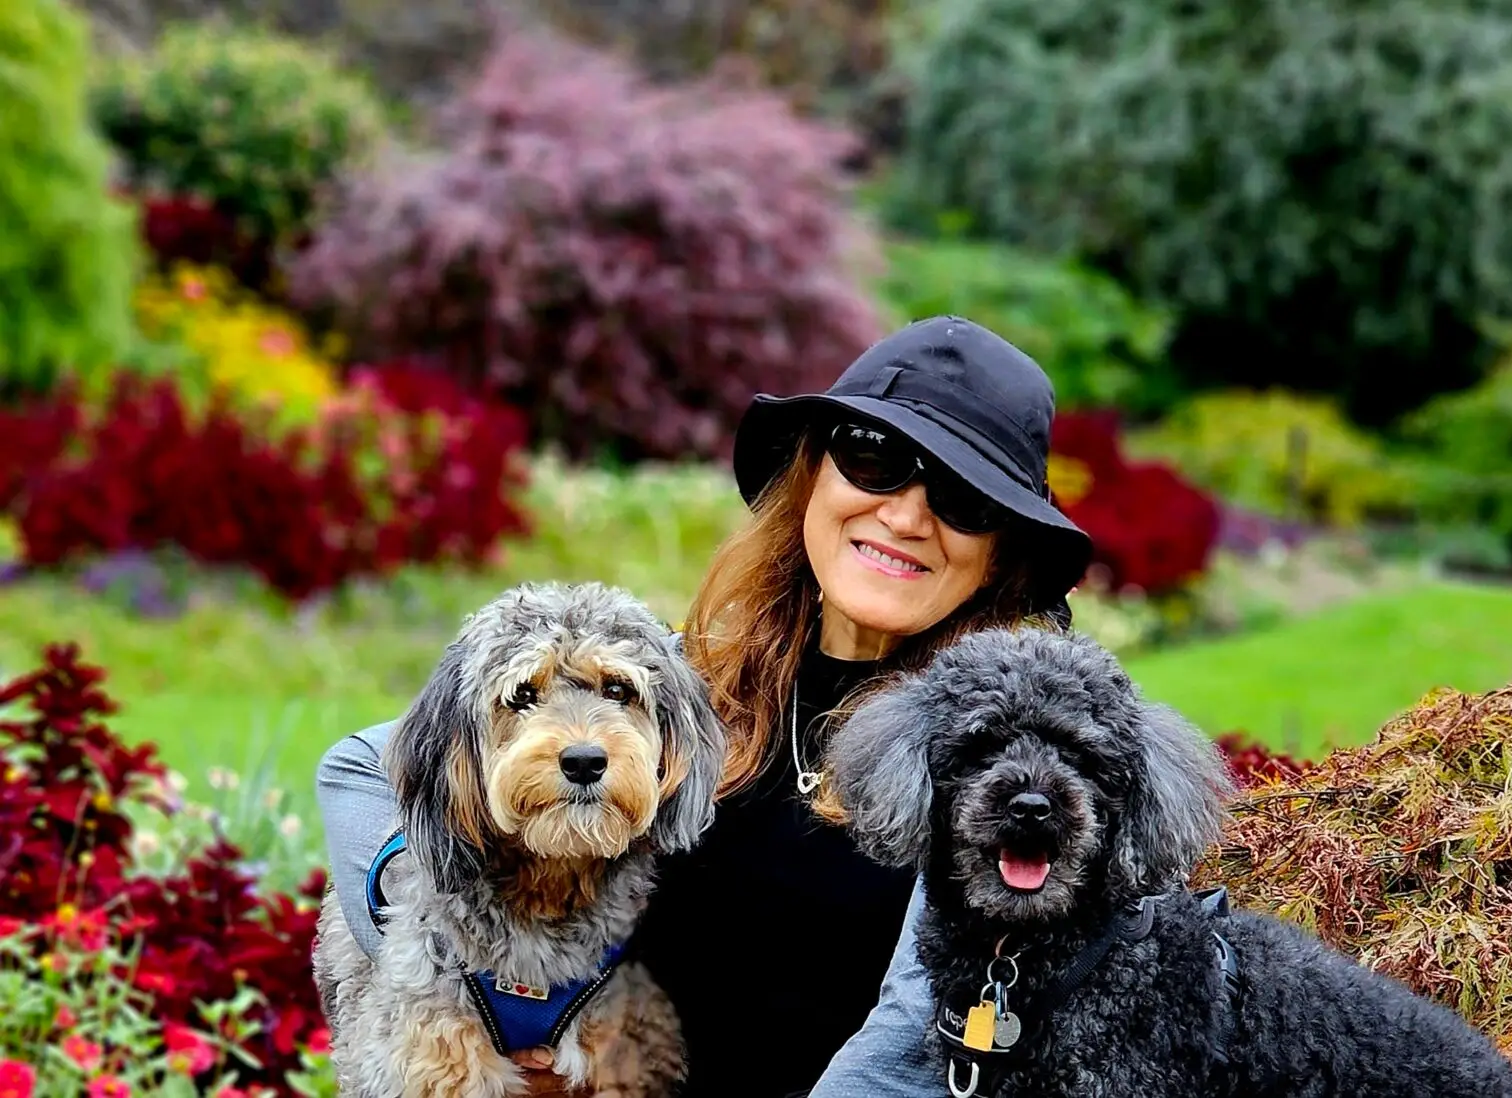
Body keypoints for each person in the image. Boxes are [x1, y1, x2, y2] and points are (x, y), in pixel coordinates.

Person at [314, 315, 1096, 1097]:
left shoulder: (1005, 768)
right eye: (875, 459)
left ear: (1005, 550)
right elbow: (360, 767)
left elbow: (919, 1047)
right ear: (813, 473)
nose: (905, 515)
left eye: (963, 499)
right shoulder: (685, 684)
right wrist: (456, 974)